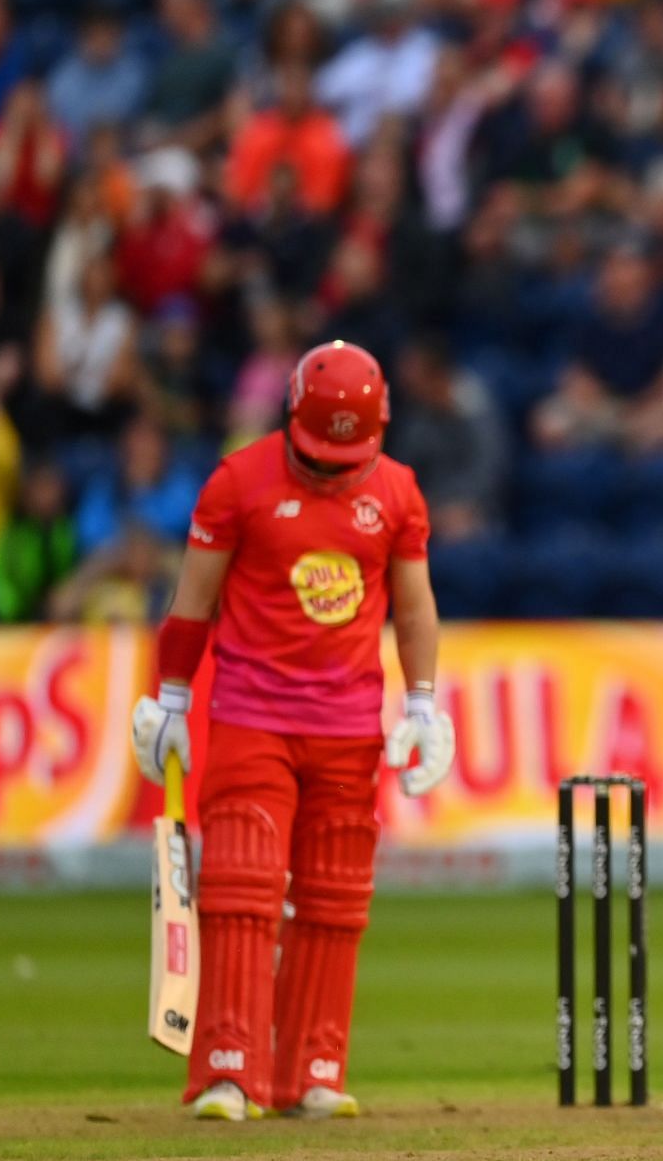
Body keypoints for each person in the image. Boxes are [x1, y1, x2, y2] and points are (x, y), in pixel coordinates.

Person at [126, 341, 455, 1120]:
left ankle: (314, 1067)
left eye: (345, 460)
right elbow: (192, 599)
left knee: (335, 899)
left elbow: (414, 608)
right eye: (317, 456)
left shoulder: (401, 493)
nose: (330, 472)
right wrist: (171, 698)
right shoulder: (237, 481)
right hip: (251, 716)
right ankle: (228, 1071)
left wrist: (423, 705)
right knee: (240, 888)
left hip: (347, 727)